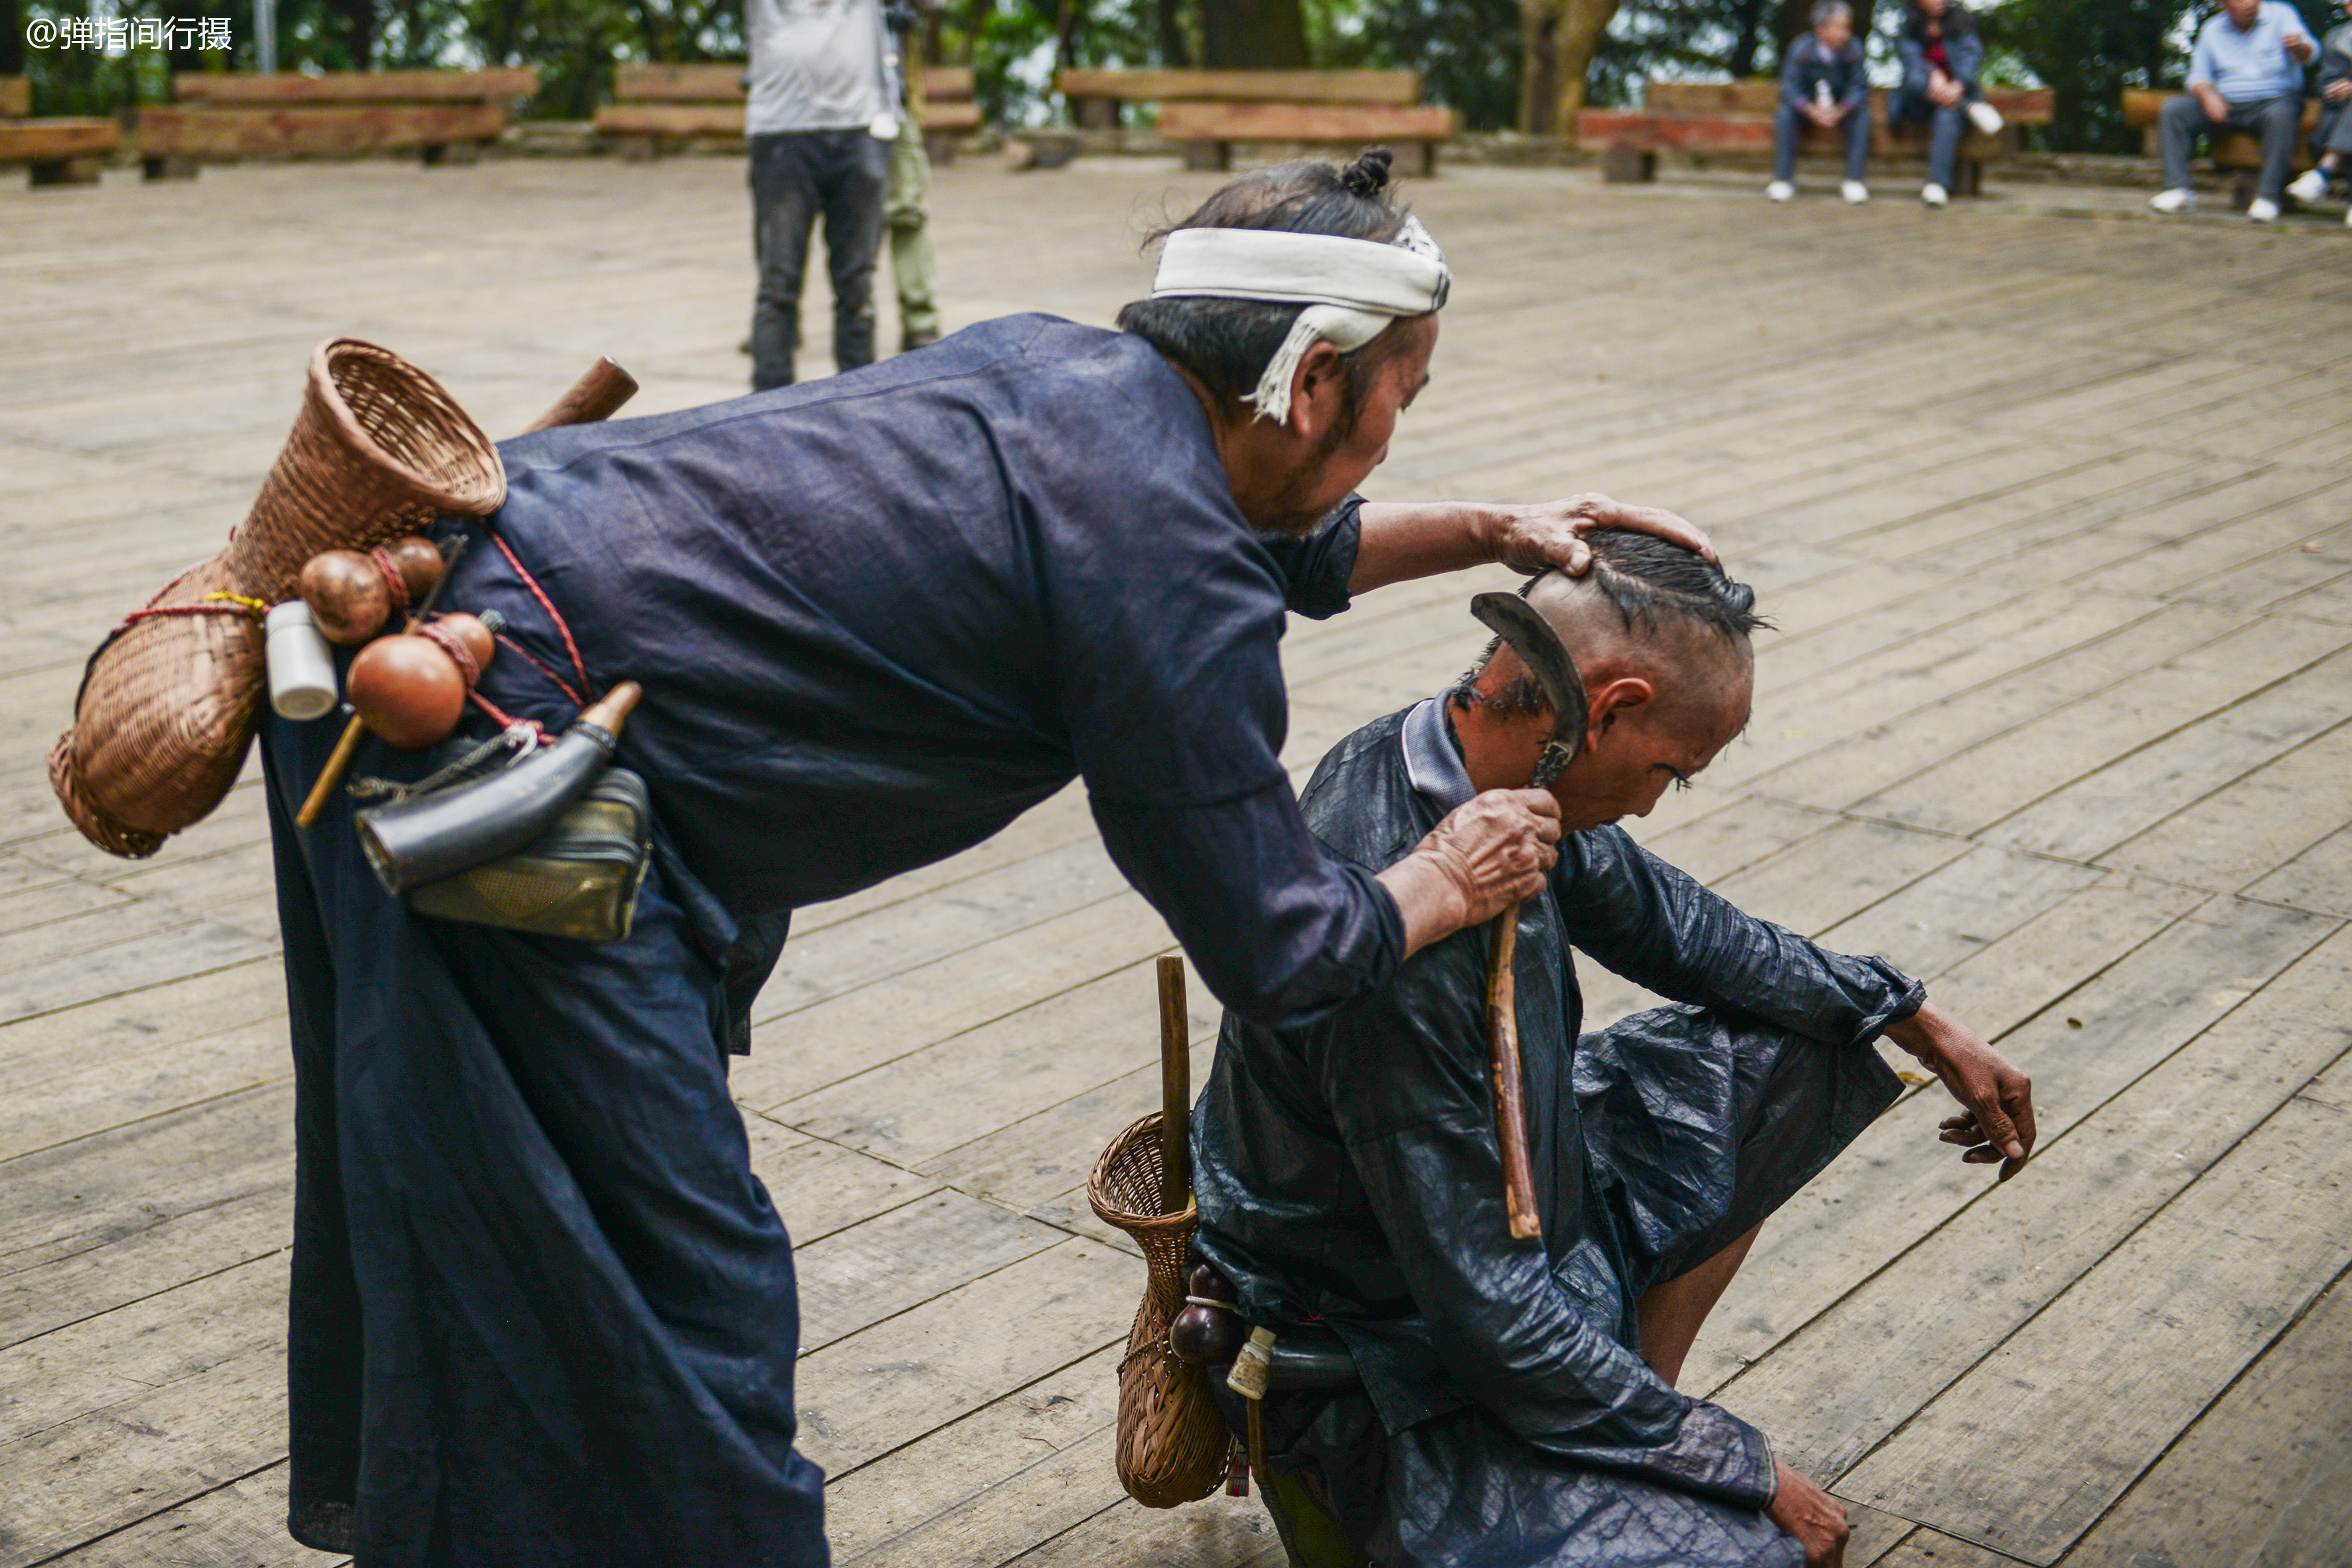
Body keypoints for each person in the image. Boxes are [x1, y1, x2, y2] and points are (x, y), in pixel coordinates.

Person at [260, 152, 1723, 1565]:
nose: (1396, 430)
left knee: (495, 1224)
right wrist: (1446, 873)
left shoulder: (1062, 373)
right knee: (666, 1303)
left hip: (411, 620)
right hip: (504, 770)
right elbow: (1286, 952)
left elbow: (1271, 536)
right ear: (1313, 377)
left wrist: (1490, 527)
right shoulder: (1169, 582)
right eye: (1404, 394)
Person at [1190, 534, 2037, 1568]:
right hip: (1394, 1350)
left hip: (1528, 1213)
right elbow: (1485, 1312)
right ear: (1608, 706)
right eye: (1665, 774)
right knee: (1761, 1557)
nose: (1646, 804)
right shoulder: (1401, 916)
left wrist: (1906, 1009)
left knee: (1807, 1034)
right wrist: (1735, 1460)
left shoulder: (1494, 766)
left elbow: (1679, 930)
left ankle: (1621, 1417)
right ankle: (1577, 1445)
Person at [745, 0, 896, 388]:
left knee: (858, 283)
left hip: (861, 129)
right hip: (781, 133)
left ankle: (859, 404)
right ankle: (767, 410)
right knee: (778, 284)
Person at [2151, 0, 2319, 222]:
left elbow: (2312, 53)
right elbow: (2198, 76)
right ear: (2223, 6)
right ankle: (2178, 189)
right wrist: (2209, 96)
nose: (2249, 3)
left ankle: (2268, 197)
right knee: (2174, 110)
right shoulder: (2212, 28)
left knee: (2281, 116)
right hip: (2226, 105)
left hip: (2274, 100)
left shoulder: (2281, 14)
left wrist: (2299, 48)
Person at [1887, 0, 2006, 206]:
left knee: (1946, 116)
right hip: (1920, 101)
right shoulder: (1908, 26)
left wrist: (1957, 86)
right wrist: (1932, 73)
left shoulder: (1962, 22)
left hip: (1954, 95)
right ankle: (1969, 108)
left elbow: (1971, 57)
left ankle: (1937, 186)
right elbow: (1912, 66)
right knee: (1915, 84)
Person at [1768, 1, 1873, 204]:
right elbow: (1789, 88)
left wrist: (1842, 109)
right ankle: (1783, 179)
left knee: (1863, 117)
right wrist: (1809, 109)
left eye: (1848, 27)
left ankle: (1854, 180)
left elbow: (1859, 88)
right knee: (1784, 115)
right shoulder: (1800, 48)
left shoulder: (1854, 49)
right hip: (1807, 111)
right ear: (1821, 29)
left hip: (1841, 112)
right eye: (1841, 27)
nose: (1846, 34)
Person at [883, 0, 943, 352]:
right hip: (812, 101)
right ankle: (777, 321)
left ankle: (920, 321)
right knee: (797, 217)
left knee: (907, 209)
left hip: (892, 96)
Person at [2285, 0, 2352, 223]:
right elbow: (2324, 83)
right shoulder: (2336, 38)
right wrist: (2334, 90)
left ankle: (2323, 172)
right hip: (2335, 123)